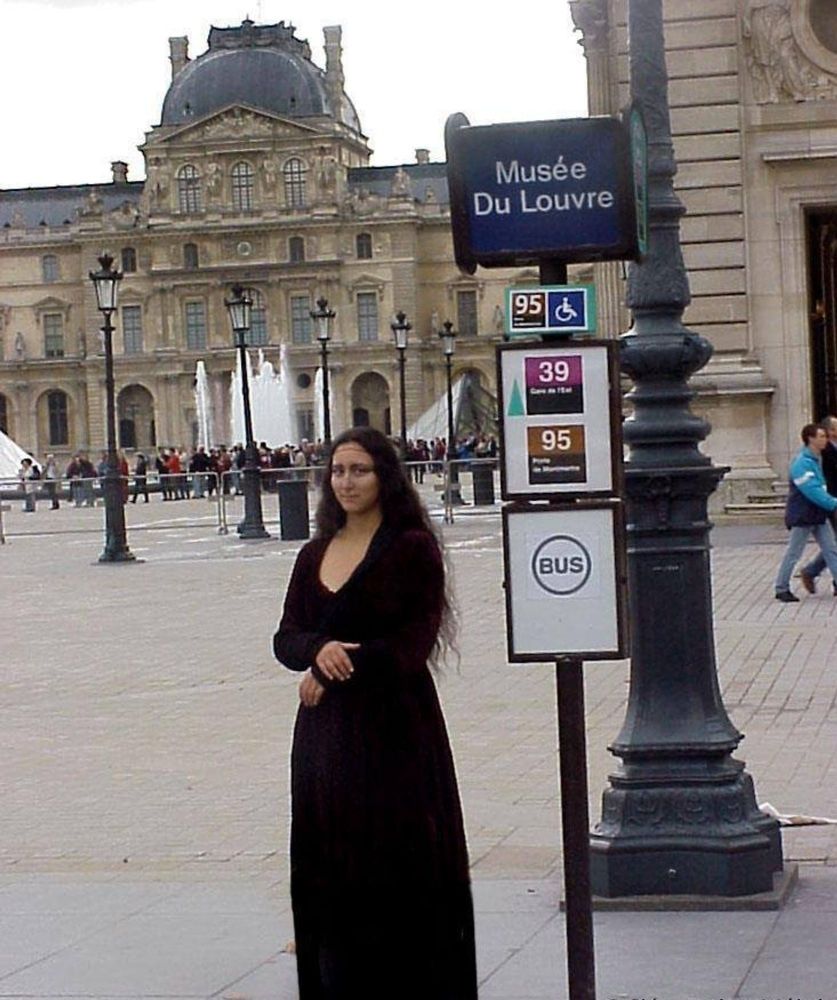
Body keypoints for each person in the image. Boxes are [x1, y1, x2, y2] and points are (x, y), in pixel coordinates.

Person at [272, 427, 477, 1000]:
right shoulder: (314, 553)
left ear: (385, 476)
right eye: (338, 470)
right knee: (330, 865)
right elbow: (286, 635)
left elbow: (413, 645)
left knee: (394, 865)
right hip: (325, 741)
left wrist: (333, 667)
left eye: (359, 470)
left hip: (394, 732)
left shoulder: (412, 548)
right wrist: (315, 650)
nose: (347, 482)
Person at [775, 422, 837, 602]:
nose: (825, 439)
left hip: (818, 514)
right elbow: (812, 490)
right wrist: (833, 503)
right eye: (821, 436)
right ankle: (781, 588)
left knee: (831, 549)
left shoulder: (816, 459)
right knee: (794, 552)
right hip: (803, 514)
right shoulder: (802, 462)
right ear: (810, 439)